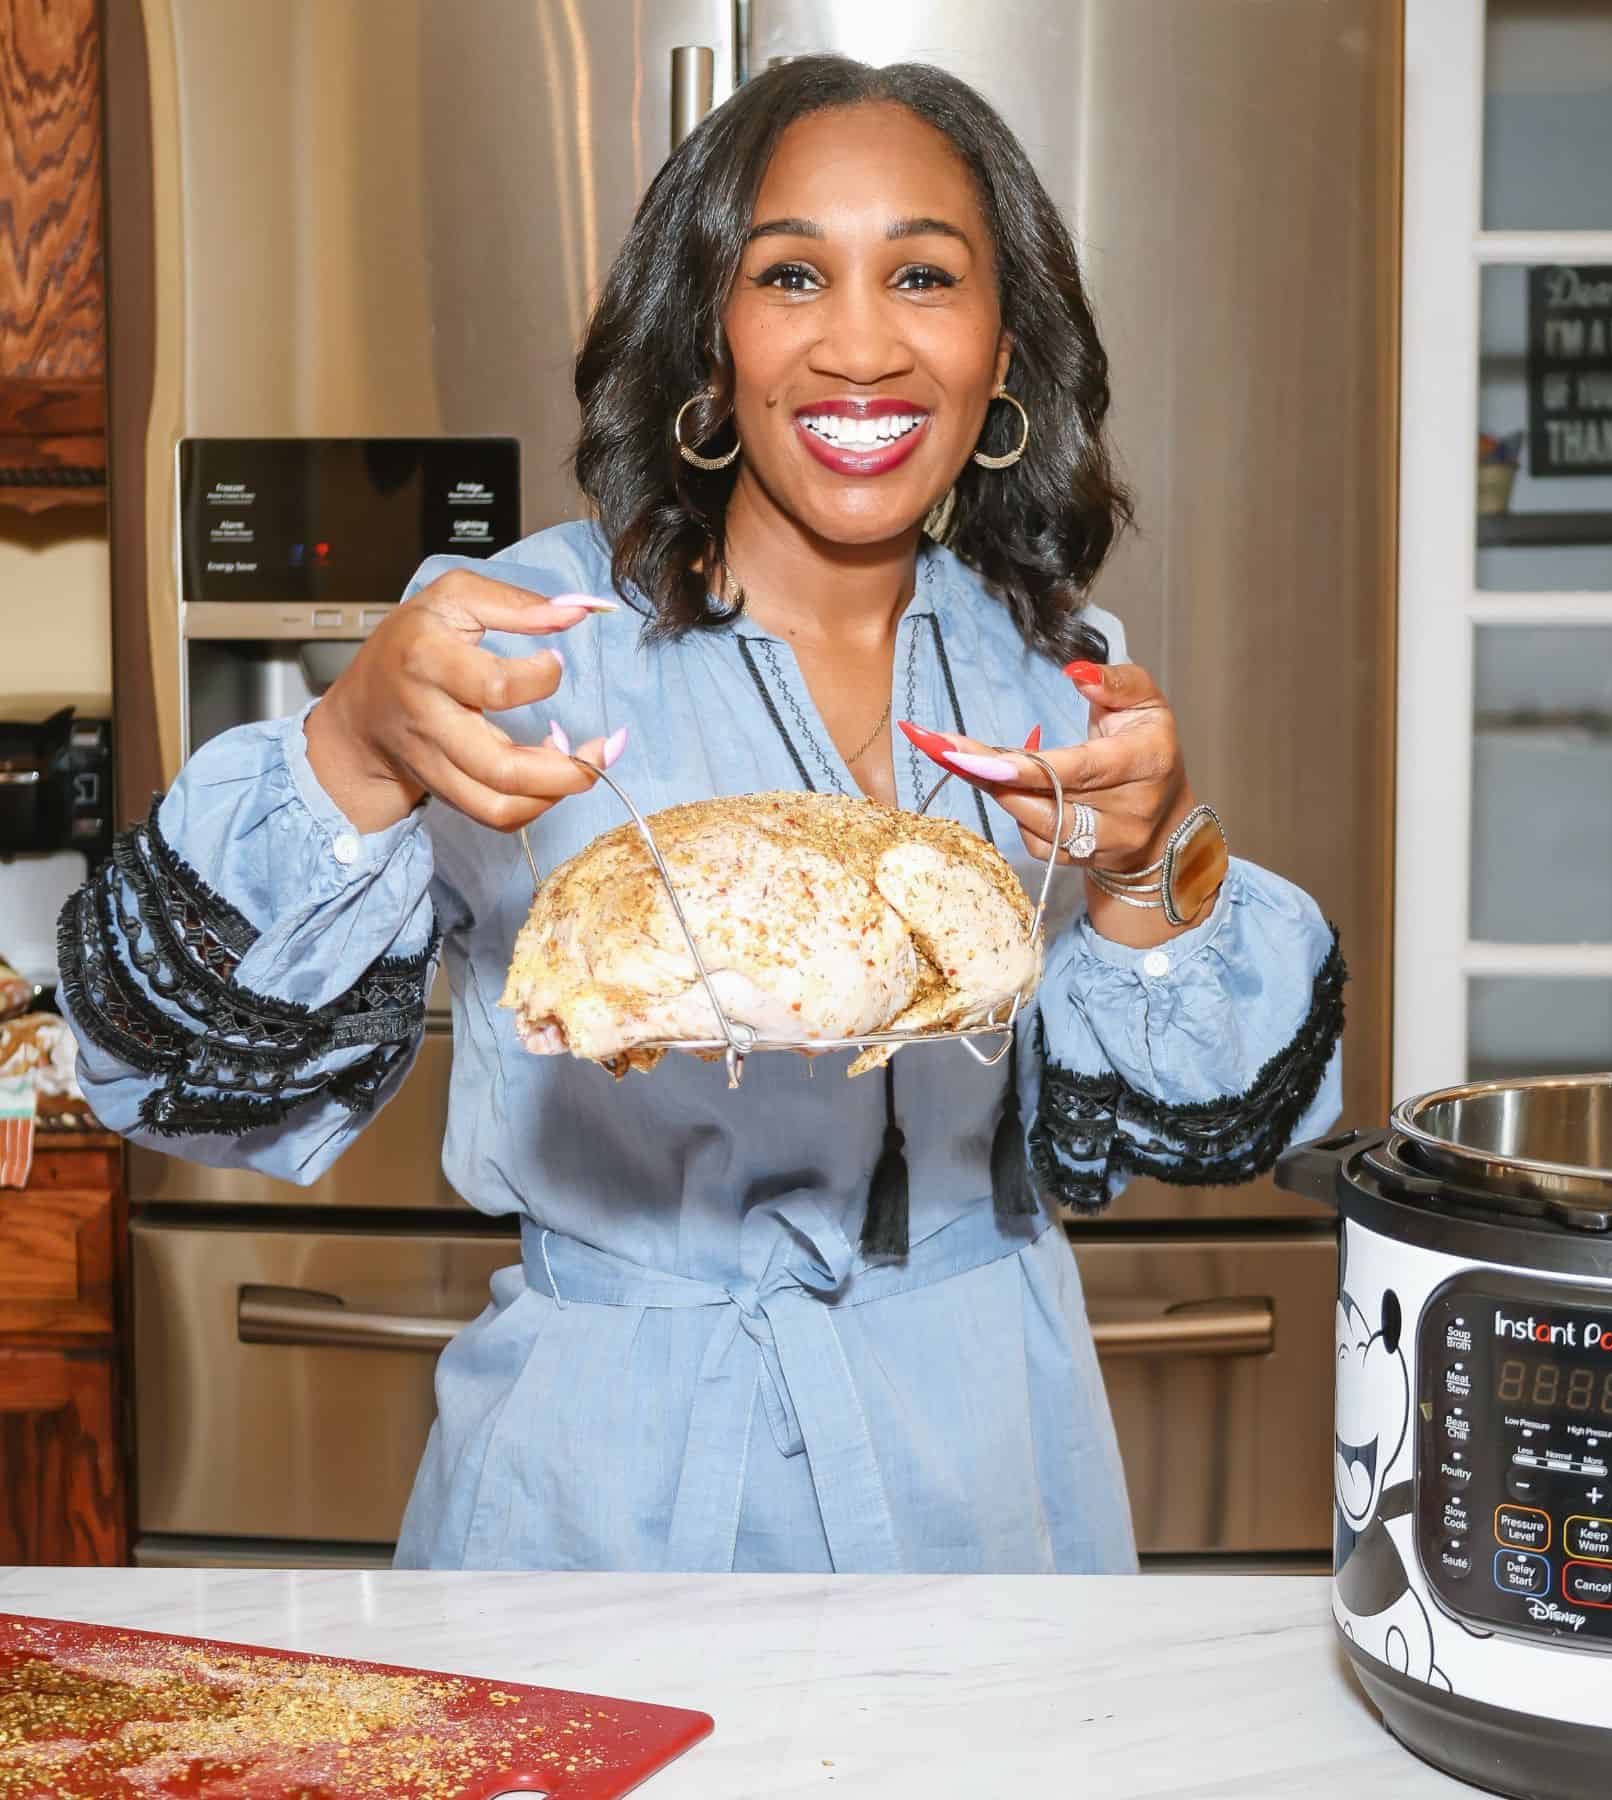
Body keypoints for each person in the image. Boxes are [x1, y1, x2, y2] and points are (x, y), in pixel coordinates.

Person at [60, 56, 1344, 1573]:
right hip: (605, 1473)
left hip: (989, 1465)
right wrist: (351, 742)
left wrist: (1156, 853)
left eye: (923, 275)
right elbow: (153, 1072)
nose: (858, 343)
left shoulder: (1062, 669)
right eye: (791, 272)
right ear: (712, 341)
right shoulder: (523, 642)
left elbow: (1201, 1133)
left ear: (1005, 353)